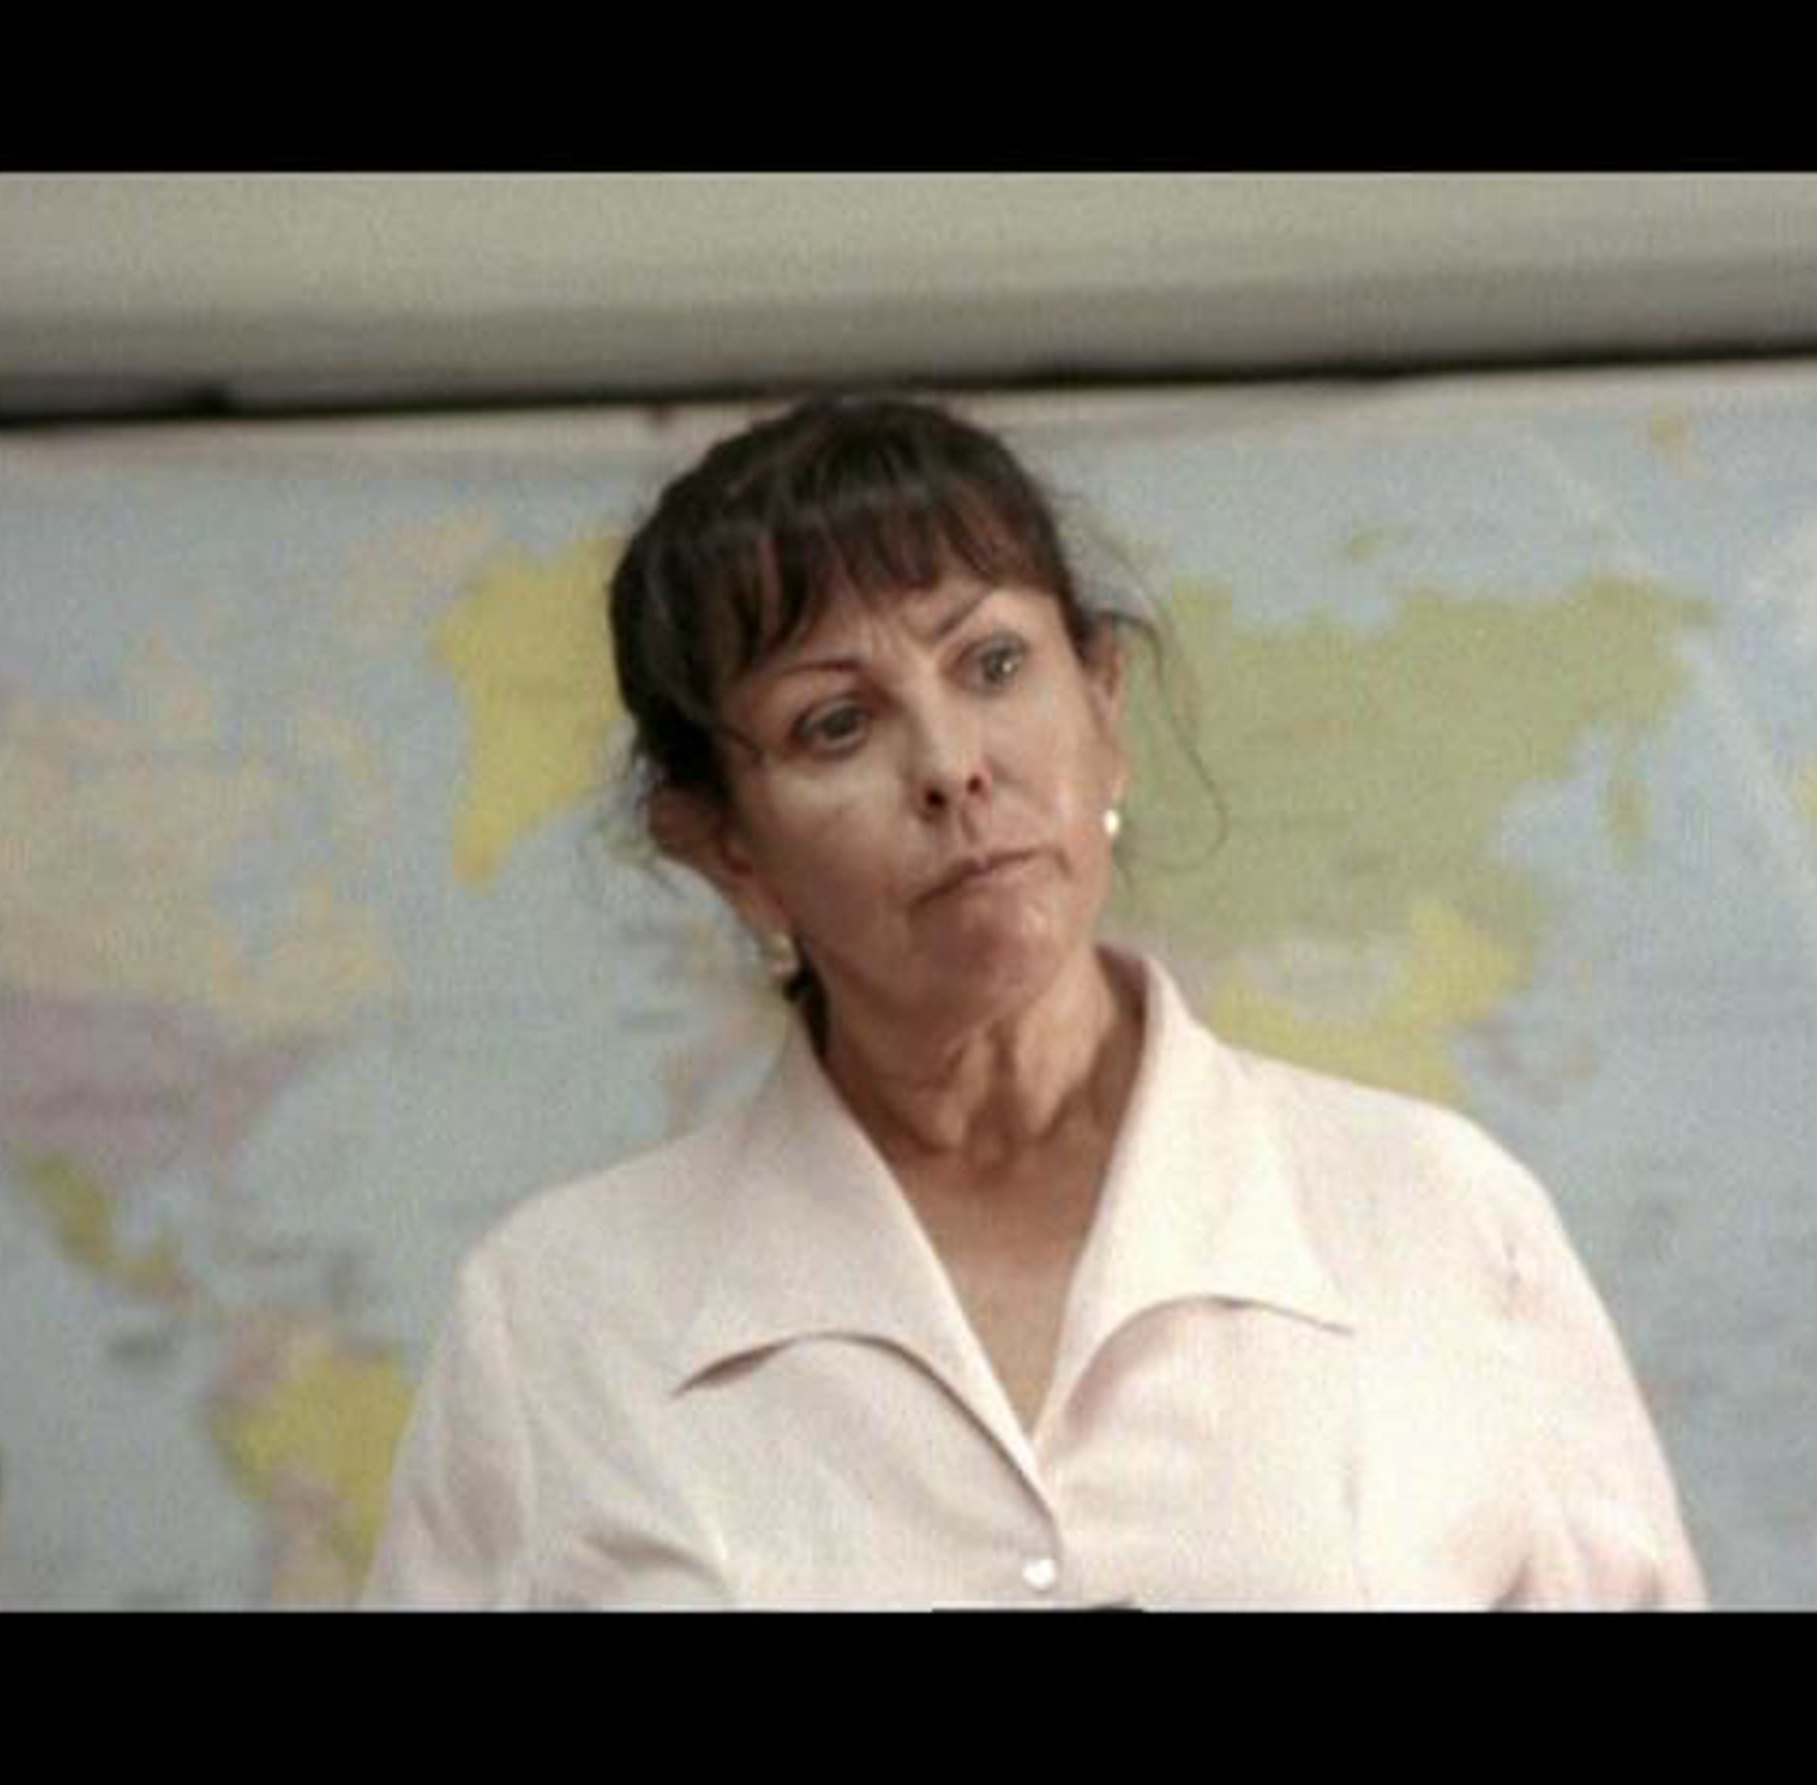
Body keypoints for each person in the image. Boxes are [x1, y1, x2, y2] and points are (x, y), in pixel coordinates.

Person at [361, 393, 1705, 1609]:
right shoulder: (561, 1318)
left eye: (993, 665)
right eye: (837, 724)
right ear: (726, 848)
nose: (951, 765)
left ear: (1104, 703)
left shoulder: (1437, 1222)